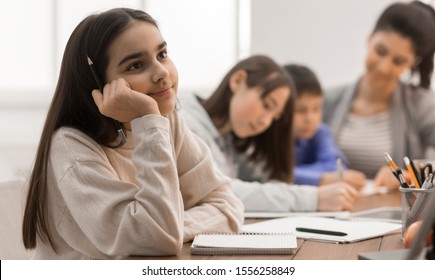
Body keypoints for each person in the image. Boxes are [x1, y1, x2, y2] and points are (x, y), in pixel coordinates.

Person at [21, 8, 244, 259]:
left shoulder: (165, 121)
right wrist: (147, 120)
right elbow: (155, 237)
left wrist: (173, 226)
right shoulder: (72, 147)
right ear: (97, 83)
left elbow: (228, 206)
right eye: (136, 65)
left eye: (162, 54)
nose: (162, 72)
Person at [179, 55, 357, 213]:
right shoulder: (187, 124)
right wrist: (313, 198)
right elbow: (221, 192)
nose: (266, 122)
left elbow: (266, 177)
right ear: (238, 81)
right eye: (267, 105)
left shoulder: (229, 139)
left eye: (275, 117)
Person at [323, 1, 435, 189]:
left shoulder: (422, 105)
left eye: (399, 61)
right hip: (331, 211)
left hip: (393, 215)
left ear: (413, 63)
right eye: (380, 51)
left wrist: (410, 175)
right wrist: (322, 178)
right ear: (369, 39)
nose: (384, 68)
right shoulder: (327, 101)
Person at [284, 64, 366, 189]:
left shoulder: (320, 132)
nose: (310, 118)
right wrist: (321, 178)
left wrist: (295, 173)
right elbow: (271, 174)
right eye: (300, 110)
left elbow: (335, 165)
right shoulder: (270, 137)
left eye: (316, 109)